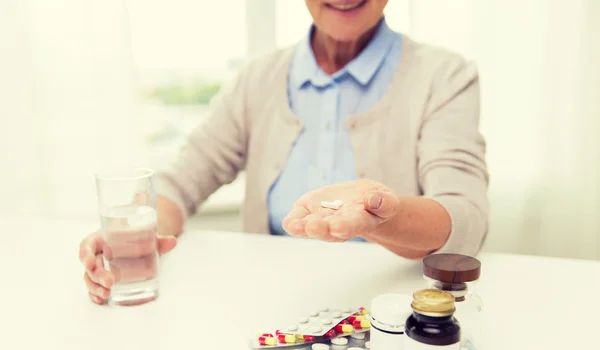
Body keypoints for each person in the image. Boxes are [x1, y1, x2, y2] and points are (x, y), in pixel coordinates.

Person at [79, 0, 489, 304]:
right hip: (270, 309)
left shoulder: (445, 76)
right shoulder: (258, 78)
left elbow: (466, 218)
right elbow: (182, 181)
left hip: (392, 315)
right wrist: (132, 229)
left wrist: (384, 216)